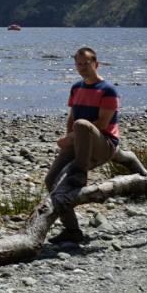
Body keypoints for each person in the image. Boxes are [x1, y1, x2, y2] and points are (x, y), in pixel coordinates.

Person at [43, 46, 120, 244]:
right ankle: (72, 230)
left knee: (82, 124)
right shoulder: (76, 88)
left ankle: (81, 171)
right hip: (79, 140)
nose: (83, 67)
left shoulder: (108, 90)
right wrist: (69, 136)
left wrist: (70, 138)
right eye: (79, 64)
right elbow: (72, 116)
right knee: (51, 180)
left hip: (105, 144)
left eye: (86, 63)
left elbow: (103, 124)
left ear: (96, 64)